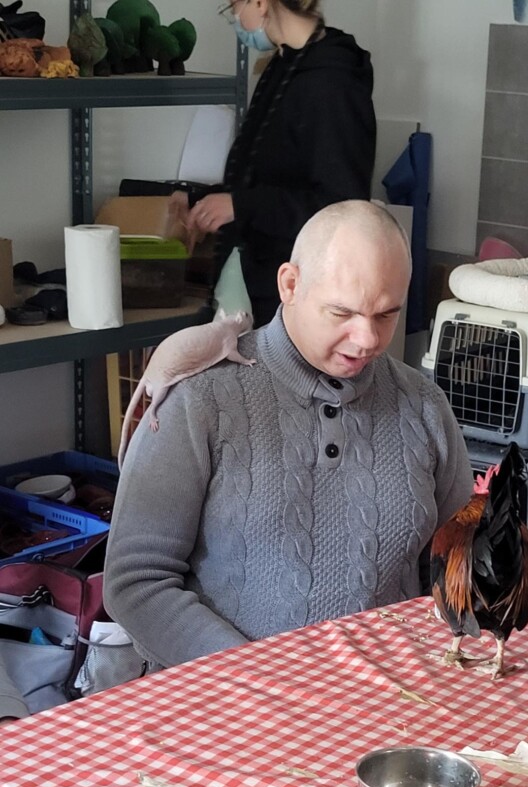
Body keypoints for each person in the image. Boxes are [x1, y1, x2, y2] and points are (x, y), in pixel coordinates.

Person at [103, 201, 474, 671]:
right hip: (233, 699)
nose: (367, 339)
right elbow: (136, 582)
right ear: (290, 285)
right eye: (342, 312)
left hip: (389, 696)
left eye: (386, 315)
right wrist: (255, 678)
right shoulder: (201, 400)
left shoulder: (424, 406)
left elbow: (454, 563)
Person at [173, 0, 376, 327]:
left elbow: (341, 208)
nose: (235, 17)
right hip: (263, 288)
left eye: (233, 6)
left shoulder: (332, 81)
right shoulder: (285, 64)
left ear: (259, 2)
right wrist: (202, 200)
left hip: (296, 301)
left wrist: (240, 206)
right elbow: (269, 175)